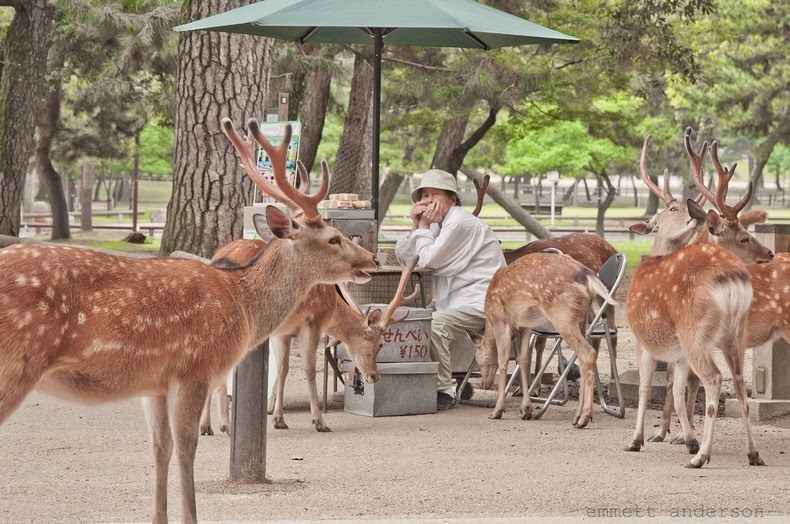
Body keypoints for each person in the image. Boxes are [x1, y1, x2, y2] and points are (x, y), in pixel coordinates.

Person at [395, 169, 506, 410]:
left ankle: (443, 390)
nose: (428, 200)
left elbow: (428, 261)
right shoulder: (438, 225)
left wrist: (423, 225)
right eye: (424, 195)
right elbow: (406, 258)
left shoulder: (459, 223)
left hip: (483, 301)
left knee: (433, 324)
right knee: (414, 319)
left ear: (452, 199)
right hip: (456, 300)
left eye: (435, 194)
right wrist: (416, 227)